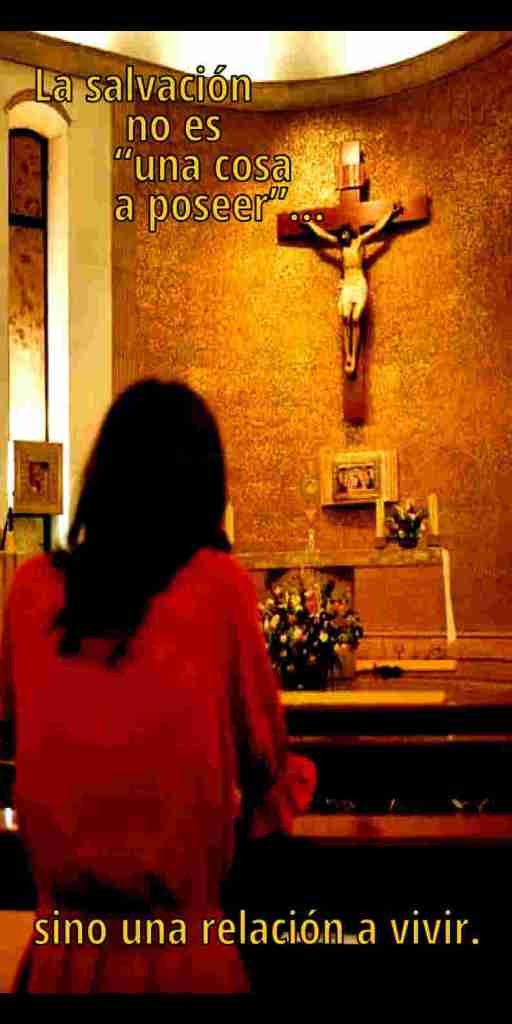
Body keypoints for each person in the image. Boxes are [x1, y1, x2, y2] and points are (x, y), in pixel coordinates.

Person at [0, 378, 315, 994]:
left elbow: (21, 733)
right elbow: (266, 765)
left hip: (62, 960)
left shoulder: (31, 590)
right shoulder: (219, 588)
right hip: (181, 958)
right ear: (205, 486)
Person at [307, 203, 402, 376]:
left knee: (356, 317)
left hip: (358, 283)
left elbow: (376, 229)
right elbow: (323, 235)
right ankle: (348, 355)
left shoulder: (359, 242)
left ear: (350, 233)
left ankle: (354, 356)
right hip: (347, 284)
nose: (343, 236)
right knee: (345, 317)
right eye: (341, 234)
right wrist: (310, 224)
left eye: (346, 233)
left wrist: (391, 214)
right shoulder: (340, 246)